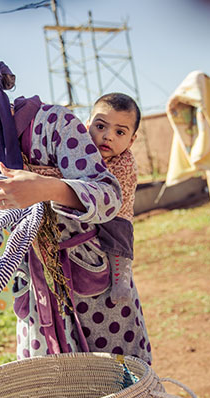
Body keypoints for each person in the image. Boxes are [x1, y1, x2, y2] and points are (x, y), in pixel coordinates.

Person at [0, 40, 152, 363]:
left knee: (120, 390)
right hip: (35, 300)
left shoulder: (53, 125)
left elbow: (109, 195)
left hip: (95, 292)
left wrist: (46, 188)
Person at [86, 93, 140, 305]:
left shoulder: (123, 163)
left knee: (118, 235)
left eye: (120, 132)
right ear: (87, 124)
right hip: (89, 204)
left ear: (131, 140)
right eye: (100, 127)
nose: (108, 136)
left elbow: (91, 185)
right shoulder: (76, 146)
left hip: (116, 210)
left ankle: (121, 277)